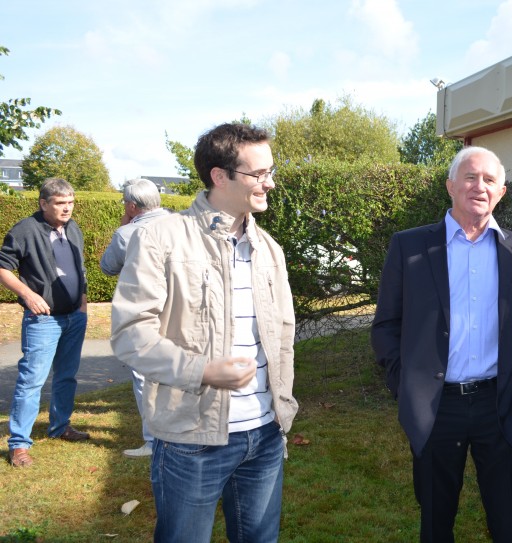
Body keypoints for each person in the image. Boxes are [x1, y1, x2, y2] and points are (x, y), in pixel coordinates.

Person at [110, 122, 298, 542]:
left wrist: (282, 410)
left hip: (266, 435)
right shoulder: (161, 238)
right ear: (220, 175)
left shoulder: (269, 248)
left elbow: (283, 335)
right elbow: (130, 333)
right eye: (259, 173)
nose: (270, 182)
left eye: (271, 171)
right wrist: (203, 371)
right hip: (190, 438)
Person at [371, 146, 512, 542]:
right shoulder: (410, 246)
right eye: (470, 177)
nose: (480, 186)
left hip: (502, 403)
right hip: (436, 406)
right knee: (436, 521)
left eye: (490, 180)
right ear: (451, 185)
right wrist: (405, 385)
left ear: (501, 192)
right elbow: (386, 324)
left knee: (510, 521)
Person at [1, 178, 90, 468]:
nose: (67, 208)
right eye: (60, 203)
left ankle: (60, 426)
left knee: (67, 376)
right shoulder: (26, 229)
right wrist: (27, 294)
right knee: (32, 381)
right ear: (43, 203)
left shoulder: (73, 227)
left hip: (74, 317)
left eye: (71, 202)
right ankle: (18, 445)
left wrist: (84, 303)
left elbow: (80, 267)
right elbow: (3, 267)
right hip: (43, 321)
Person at [100, 178, 169, 458]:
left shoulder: (127, 233)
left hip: (145, 312)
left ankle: (154, 442)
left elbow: (106, 267)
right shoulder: (180, 224)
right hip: (181, 309)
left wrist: (124, 225)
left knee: (145, 376)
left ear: (131, 205)